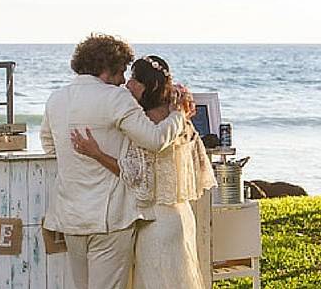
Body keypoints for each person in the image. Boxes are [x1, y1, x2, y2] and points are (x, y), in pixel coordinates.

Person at [40, 35, 186, 289]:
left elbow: (50, 146)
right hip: (109, 220)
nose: (122, 81)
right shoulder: (115, 98)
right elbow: (154, 139)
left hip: (71, 217)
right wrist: (178, 116)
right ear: (107, 69)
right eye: (120, 73)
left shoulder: (56, 99)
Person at [71, 56, 217, 289]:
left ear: (152, 86)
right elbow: (197, 163)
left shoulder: (145, 123)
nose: (128, 84)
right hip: (181, 216)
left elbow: (133, 174)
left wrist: (96, 153)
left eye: (135, 80)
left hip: (154, 223)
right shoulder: (178, 118)